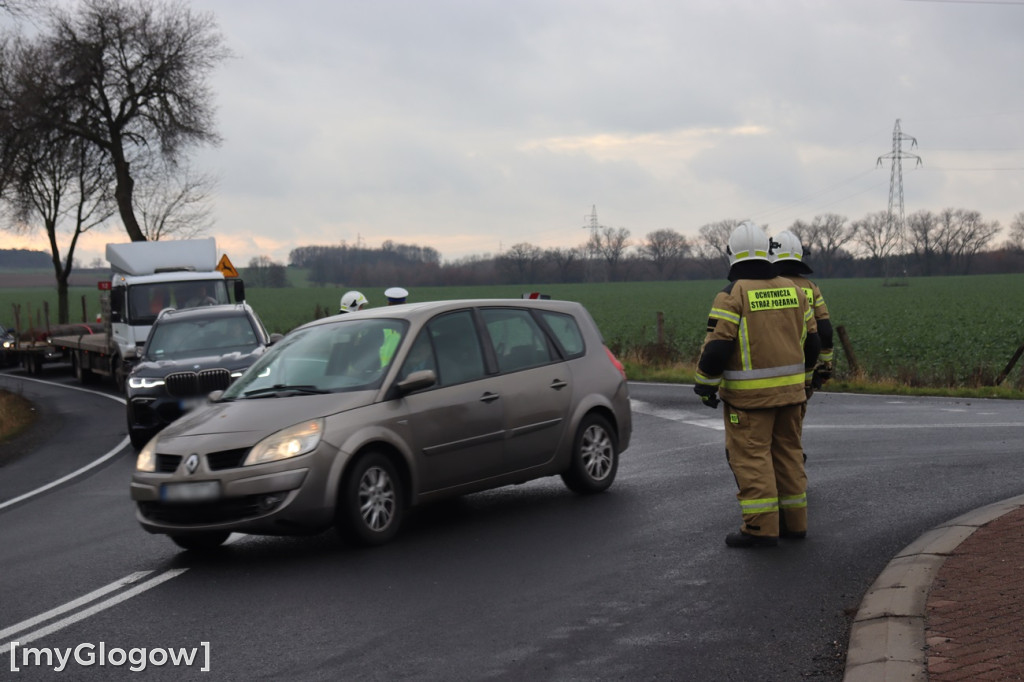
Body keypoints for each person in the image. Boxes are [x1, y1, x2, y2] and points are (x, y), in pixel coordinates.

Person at [693, 221, 820, 549]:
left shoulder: (732, 294)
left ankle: (761, 529)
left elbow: (717, 348)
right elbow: (813, 345)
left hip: (749, 403)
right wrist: (804, 383)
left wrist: (705, 386)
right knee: (789, 454)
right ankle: (795, 524)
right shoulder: (794, 290)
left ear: (731, 254)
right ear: (767, 252)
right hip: (792, 396)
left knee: (752, 458)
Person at [770, 230, 834, 394]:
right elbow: (824, 330)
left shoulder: (761, 286)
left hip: (767, 366)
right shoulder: (811, 287)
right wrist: (826, 364)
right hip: (802, 367)